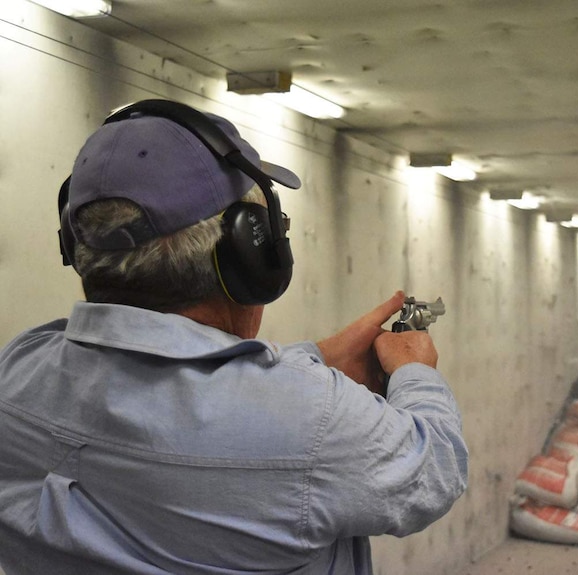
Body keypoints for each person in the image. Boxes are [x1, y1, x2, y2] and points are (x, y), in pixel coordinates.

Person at [0, 100, 468, 574]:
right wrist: (413, 369)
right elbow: (433, 469)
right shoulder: (315, 423)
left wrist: (315, 360)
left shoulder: (18, 371)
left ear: (76, 249)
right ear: (250, 254)